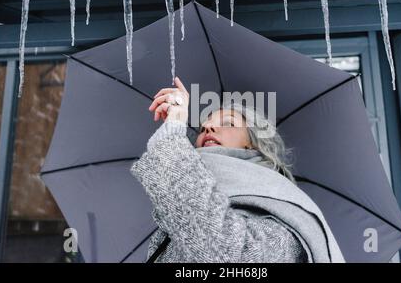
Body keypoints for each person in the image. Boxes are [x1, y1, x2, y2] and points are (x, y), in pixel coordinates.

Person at [130, 76, 344, 263]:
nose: (209, 129)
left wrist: (173, 136)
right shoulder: (177, 213)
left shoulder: (285, 215)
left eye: (229, 123)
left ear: (253, 144)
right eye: (204, 128)